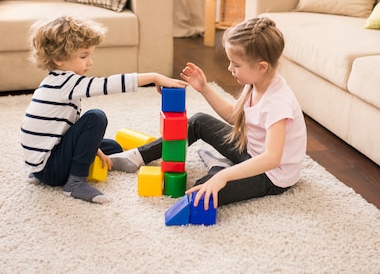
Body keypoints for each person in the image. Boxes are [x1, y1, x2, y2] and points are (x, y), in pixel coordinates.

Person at [110, 16, 307, 210]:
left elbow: (272, 158)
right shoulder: (256, 82)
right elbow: (234, 116)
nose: (230, 68)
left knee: (202, 194)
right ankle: (136, 157)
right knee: (198, 121)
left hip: (271, 174)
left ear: (261, 67)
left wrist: (223, 176)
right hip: (250, 151)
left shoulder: (278, 103)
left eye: (236, 65)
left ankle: (219, 168)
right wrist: (204, 88)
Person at [21, 16, 187, 204]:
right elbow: (108, 84)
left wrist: (95, 149)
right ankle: (75, 182)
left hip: (41, 165)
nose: (90, 62)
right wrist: (153, 76)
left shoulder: (54, 81)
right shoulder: (67, 82)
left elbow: (61, 128)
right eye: (83, 56)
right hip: (50, 168)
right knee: (95, 118)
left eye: (90, 55)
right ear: (58, 59)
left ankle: (54, 171)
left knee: (111, 147)